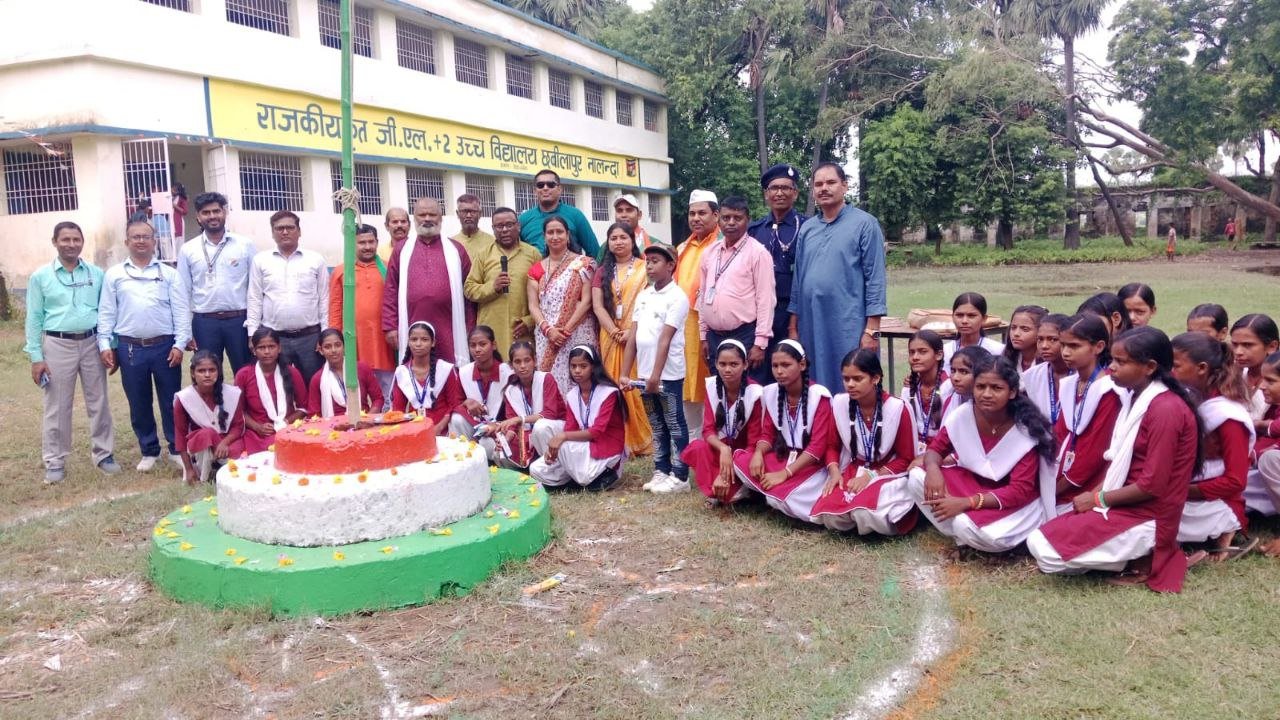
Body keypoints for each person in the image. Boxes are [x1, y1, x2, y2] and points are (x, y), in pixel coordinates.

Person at [1027, 327, 1201, 592]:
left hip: (1150, 514)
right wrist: (1098, 494)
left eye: (1121, 362)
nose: (1112, 369)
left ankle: (1144, 555)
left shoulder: (1166, 409)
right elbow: (1123, 463)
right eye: (1112, 360)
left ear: (1150, 366)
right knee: (1043, 534)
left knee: (1044, 549)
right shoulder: (1137, 396)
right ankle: (1126, 554)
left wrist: (1098, 499)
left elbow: (1151, 485)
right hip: (1125, 503)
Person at [907, 355, 1055, 555]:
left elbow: (1019, 491)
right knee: (917, 477)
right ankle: (964, 537)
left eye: (996, 388)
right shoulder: (963, 415)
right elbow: (936, 450)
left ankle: (972, 534)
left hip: (1010, 503)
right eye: (980, 386)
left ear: (1012, 392)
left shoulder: (1025, 430)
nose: (986, 394)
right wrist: (933, 469)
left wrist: (967, 503)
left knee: (965, 525)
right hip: (971, 486)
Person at [25, 221, 117, 483]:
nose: (71, 244)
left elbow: (107, 313)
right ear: (54, 242)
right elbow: (34, 319)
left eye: (76, 239)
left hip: (91, 342)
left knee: (98, 401)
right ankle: (54, 460)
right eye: (65, 239)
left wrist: (111, 346)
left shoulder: (96, 274)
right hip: (57, 344)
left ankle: (104, 454)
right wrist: (36, 357)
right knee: (57, 405)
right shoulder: (41, 277)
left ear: (82, 242)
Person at [787, 163, 887, 391]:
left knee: (854, 379)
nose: (824, 188)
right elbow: (798, 280)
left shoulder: (865, 224)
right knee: (814, 384)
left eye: (830, 182)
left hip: (849, 323)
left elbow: (875, 280)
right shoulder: (807, 229)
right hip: (812, 322)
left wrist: (871, 330)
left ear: (844, 185)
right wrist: (793, 327)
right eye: (818, 184)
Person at [97, 220, 185, 472]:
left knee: (172, 399)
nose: (141, 240)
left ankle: (177, 448)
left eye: (146, 236)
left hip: (165, 346)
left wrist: (179, 344)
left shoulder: (168, 274)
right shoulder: (114, 274)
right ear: (127, 242)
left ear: (154, 240)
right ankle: (149, 450)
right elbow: (106, 312)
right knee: (139, 401)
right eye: (135, 237)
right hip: (130, 348)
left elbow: (180, 312)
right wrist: (104, 343)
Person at [811, 349, 919, 535]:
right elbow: (832, 446)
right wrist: (835, 472)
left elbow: (906, 458)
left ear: (875, 378)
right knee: (830, 515)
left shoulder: (897, 408)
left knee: (866, 514)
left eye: (857, 378)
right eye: (846, 379)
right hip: (854, 469)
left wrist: (870, 477)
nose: (850, 385)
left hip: (888, 473)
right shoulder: (840, 403)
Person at [1170, 332, 1256, 559]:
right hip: (1185, 491)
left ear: (1201, 368)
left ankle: (1227, 526)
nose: (1170, 372)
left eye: (1176, 366)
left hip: (1215, 501)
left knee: (1152, 517)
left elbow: (1235, 480)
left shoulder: (1228, 417)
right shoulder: (1191, 398)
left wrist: (1179, 491)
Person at [733, 339, 836, 521]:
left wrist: (784, 474)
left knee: (784, 497)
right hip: (784, 458)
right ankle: (775, 491)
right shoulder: (772, 392)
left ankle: (777, 492)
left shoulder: (819, 396)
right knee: (742, 460)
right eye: (775, 366)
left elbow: (817, 448)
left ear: (802, 364)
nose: (779, 371)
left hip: (809, 466)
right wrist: (758, 453)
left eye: (786, 365)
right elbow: (767, 435)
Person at [620, 242, 691, 494]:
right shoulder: (644, 295)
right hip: (645, 375)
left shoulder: (677, 297)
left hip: (667, 374)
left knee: (674, 423)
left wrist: (655, 376)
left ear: (670, 265)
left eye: (656, 261)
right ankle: (661, 470)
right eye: (647, 261)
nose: (649, 266)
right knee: (656, 424)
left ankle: (681, 475)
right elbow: (633, 336)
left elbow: (665, 339)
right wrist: (625, 373)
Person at [382, 197, 474, 365]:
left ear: (441, 218)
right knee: (416, 372)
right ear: (414, 218)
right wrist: (390, 326)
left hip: (450, 325)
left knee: (450, 371)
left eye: (432, 214)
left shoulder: (456, 250)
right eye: (422, 214)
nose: (427, 219)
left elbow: (469, 291)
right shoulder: (401, 250)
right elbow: (391, 290)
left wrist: (470, 326)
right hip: (412, 322)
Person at [1049, 314, 1123, 516]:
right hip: (1062, 473)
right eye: (1063, 345)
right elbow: (1059, 434)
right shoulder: (1071, 384)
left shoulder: (1109, 391)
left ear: (1098, 347)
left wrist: (1051, 491)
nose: (1065, 352)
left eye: (1074, 346)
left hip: (1088, 481)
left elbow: (1095, 454)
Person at [590, 222, 653, 457]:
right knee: (612, 384)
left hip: (637, 334)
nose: (618, 242)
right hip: (609, 336)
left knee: (634, 384)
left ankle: (640, 438)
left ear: (632, 240)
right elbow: (597, 306)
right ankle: (618, 435)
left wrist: (630, 332)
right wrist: (615, 332)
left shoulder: (645, 268)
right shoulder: (602, 271)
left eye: (623, 237)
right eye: (613, 238)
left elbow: (649, 303)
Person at [697, 196, 775, 382]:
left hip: (745, 335)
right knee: (719, 389)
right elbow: (702, 295)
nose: (731, 223)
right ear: (718, 220)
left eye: (737, 218)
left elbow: (766, 300)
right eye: (726, 218)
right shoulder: (710, 252)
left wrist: (760, 344)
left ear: (747, 220)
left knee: (746, 391)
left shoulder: (758, 253)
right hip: (714, 336)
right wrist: (703, 336)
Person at [175, 192, 256, 372]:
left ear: (224, 212)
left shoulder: (245, 245)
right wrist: (185, 330)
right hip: (205, 323)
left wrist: (254, 324)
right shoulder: (188, 250)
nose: (212, 216)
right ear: (198, 217)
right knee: (208, 375)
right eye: (206, 212)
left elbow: (256, 288)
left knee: (246, 373)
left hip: (239, 321)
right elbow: (182, 292)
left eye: (216, 211)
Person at [247, 210, 329, 385]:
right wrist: (253, 334)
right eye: (279, 228)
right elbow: (254, 298)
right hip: (275, 338)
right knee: (277, 386)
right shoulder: (260, 260)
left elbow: (324, 299)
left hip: (310, 338)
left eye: (290, 228)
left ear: (299, 231)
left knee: (313, 384)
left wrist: (324, 335)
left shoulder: (315, 260)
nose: (285, 232)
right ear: (273, 233)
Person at [530, 345, 626, 490]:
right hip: (584, 445)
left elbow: (596, 432)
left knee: (563, 447)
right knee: (535, 466)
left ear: (593, 367)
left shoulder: (609, 393)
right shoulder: (573, 395)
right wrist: (556, 448)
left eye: (583, 366)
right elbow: (570, 428)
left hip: (604, 447)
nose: (577, 370)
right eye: (573, 366)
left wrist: (562, 437)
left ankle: (598, 475)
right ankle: (566, 471)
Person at [684, 340, 763, 506]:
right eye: (723, 364)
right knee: (698, 447)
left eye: (734, 364)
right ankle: (718, 490)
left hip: (743, 456)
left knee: (744, 464)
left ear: (745, 365)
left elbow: (753, 442)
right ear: (716, 365)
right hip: (721, 451)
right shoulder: (712, 386)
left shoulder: (755, 393)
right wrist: (723, 449)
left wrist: (730, 466)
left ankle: (735, 487)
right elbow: (707, 430)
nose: (727, 369)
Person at [748, 164, 807, 380]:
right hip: (759, 315)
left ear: (796, 193)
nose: (779, 193)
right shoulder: (754, 230)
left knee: (792, 374)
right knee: (759, 375)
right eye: (774, 188)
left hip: (793, 313)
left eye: (786, 188)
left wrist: (795, 323)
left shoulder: (807, 228)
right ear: (766, 194)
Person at [327, 224, 395, 407]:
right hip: (354, 341)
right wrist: (335, 338)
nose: (367, 246)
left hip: (384, 342)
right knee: (358, 389)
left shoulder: (388, 269)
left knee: (388, 389)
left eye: (371, 242)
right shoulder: (341, 271)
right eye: (361, 242)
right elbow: (335, 307)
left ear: (377, 242)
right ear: (352, 244)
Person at [528, 216, 597, 392]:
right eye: (550, 232)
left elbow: (587, 301)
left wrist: (565, 331)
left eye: (559, 232)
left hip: (577, 332)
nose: (555, 236)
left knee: (579, 378)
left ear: (568, 236)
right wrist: (548, 330)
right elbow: (533, 306)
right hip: (547, 336)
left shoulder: (583, 263)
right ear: (544, 237)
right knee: (551, 383)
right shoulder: (536, 269)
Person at [464, 206, 542, 358]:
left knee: (521, 375)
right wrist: (493, 287)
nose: (504, 229)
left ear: (518, 226)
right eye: (499, 226)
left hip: (521, 332)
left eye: (509, 224)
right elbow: (469, 288)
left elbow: (545, 295)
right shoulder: (484, 255)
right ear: (493, 229)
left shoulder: (533, 254)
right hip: (491, 332)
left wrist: (529, 321)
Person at [676, 189, 720, 435]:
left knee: (708, 377)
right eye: (692, 213)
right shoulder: (683, 246)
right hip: (684, 324)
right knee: (687, 378)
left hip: (711, 323)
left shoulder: (722, 243)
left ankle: (711, 431)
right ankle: (691, 434)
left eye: (702, 213)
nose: (696, 218)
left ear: (716, 215)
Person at [491, 340, 567, 470]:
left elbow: (550, 414)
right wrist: (505, 440)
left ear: (535, 361)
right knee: (497, 450)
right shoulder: (510, 390)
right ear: (511, 365)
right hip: (528, 434)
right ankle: (533, 469)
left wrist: (520, 419)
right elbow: (512, 427)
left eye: (527, 360)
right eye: (517, 362)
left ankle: (556, 469)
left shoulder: (546, 379)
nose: (523, 366)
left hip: (554, 429)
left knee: (540, 427)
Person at [174, 350, 244, 484]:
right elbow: (180, 435)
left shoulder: (232, 393)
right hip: (204, 445)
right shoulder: (184, 398)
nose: (207, 375)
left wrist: (224, 443)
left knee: (241, 453)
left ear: (218, 372)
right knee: (206, 434)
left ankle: (220, 468)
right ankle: (204, 476)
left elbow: (238, 426)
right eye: (201, 371)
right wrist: (188, 469)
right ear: (193, 374)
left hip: (227, 441)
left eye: (212, 370)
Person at [234, 327, 307, 454]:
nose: (267, 352)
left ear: (279, 348)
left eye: (271, 346)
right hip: (257, 433)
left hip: (288, 428)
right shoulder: (243, 375)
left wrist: (286, 422)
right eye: (261, 348)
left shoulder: (291, 372)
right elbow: (239, 411)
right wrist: (257, 427)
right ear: (254, 350)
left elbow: (304, 408)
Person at [449, 326, 514, 461]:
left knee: (487, 446)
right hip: (476, 425)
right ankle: (464, 460)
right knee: (456, 419)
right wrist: (467, 402)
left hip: (499, 428)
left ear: (494, 345)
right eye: (473, 345)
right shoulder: (464, 372)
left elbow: (514, 411)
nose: (477, 349)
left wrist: (497, 425)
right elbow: (455, 402)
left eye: (482, 344)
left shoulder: (508, 373)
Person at [390, 321, 464, 435]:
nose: (418, 344)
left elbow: (454, 405)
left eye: (424, 339)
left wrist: (439, 428)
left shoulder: (446, 369)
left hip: (444, 431)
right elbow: (398, 409)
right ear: (408, 342)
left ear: (433, 342)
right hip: (413, 431)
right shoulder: (402, 372)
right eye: (414, 339)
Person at [517, 169, 599, 257]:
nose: (545, 188)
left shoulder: (575, 215)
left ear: (559, 189)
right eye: (540, 185)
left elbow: (594, 252)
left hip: (570, 269)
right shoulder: (524, 219)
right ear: (534, 191)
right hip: (535, 270)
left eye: (551, 185)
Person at [307, 329, 384, 418]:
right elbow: (314, 414)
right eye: (327, 347)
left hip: (363, 424)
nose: (333, 350)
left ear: (344, 346)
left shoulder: (362, 368)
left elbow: (378, 399)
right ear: (321, 350)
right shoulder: (317, 379)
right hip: (332, 429)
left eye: (338, 345)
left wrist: (368, 419)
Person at [1245, 351, 1280, 534]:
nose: (1262, 386)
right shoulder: (1273, 408)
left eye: (1271, 381)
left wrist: (1262, 425)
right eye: (1263, 380)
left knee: (1271, 460)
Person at [901, 330, 951, 458]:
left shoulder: (950, 388)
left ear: (939, 355)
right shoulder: (908, 388)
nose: (915, 357)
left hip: (942, 453)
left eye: (922, 352)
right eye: (911, 352)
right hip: (912, 452)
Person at [1022, 313, 1072, 428]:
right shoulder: (1031, 376)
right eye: (1040, 339)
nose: (1044, 346)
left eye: (1053, 339)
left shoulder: (1080, 375)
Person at [1229, 313, 1280, 423]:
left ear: (1272, 346)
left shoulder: (1277, 384)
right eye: (1234, 344)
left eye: (1247, 345)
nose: (1238, 352)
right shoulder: (1231, 374)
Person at [942, 292, 1004, 366]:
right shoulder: (945, 351)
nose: (964, 321)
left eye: (971, 316)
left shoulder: (998, 351)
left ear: (984, 319)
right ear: (952, 317)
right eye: (959, 315)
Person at [1002, 305, 1047, 374]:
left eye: (1025, 329)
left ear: (1040, 332)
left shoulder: (1048, 364)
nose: (1016, 334)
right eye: (1013, 328)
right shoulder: (1005, 359)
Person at [451, 193, 495, 261]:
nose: (468, 215)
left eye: (473, 212)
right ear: (457, 214)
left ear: (480, 214)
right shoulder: (451, 244)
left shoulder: (492, 242)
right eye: (464, 211)